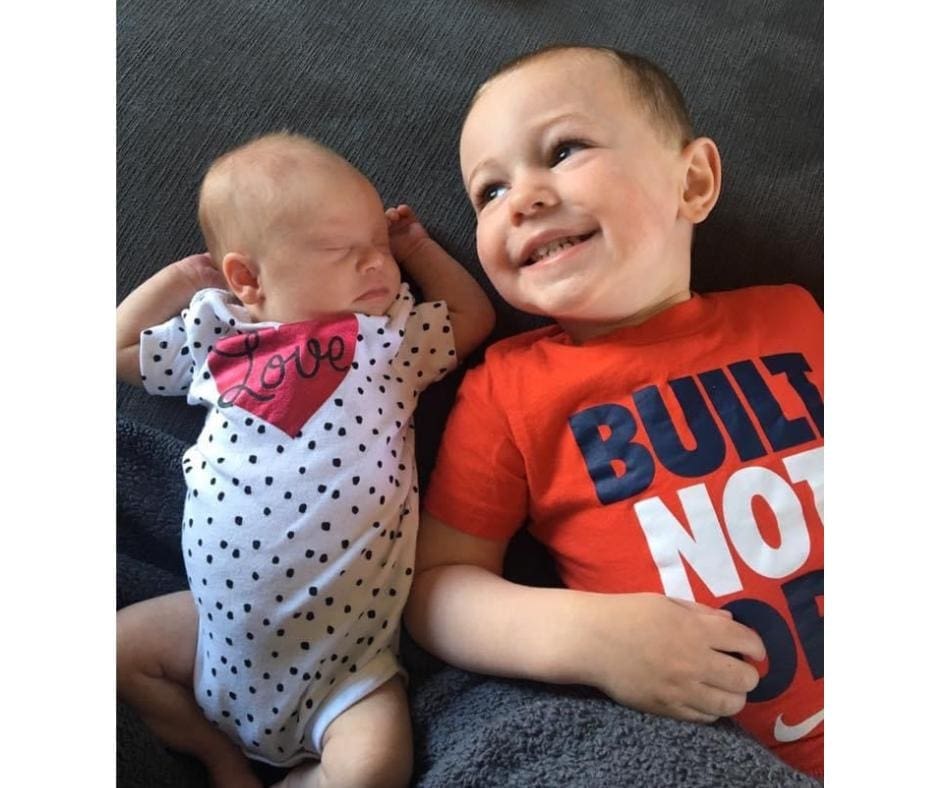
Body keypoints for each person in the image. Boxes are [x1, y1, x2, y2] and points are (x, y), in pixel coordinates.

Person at [403, 45, 823, 778]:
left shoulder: (794, 316)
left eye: (563, 150)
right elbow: (435, 586)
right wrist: (590, 638)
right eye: (489, 192)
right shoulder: (509, 390)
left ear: (691, 182)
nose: (522, 199)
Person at [116, 131, 495, 788]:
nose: (376, 263)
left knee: (374, 767)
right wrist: (181, 279)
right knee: (111, 651)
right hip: (213, 638)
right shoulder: (221, 336)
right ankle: (218, 759)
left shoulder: (389, 337)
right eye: (342, 251)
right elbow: (115, 352)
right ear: (247, 278)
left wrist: (418, 249)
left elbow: (471, 315)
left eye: (377, 243)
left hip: (344, 670)